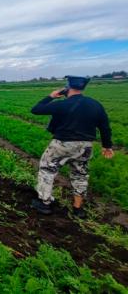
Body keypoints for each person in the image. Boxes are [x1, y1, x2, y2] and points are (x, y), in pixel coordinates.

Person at [30, 76, 114, 218]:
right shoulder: (95, 105)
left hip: (62, 144)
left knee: (47, 169)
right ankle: (77, 209)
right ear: (82, 88)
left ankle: (45, 203)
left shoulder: (63, 104)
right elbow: (105, 127)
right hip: (85, 146)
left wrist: (51, 96)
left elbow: (36, 109)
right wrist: (107, 146)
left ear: (67, 87)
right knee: (80, 175)